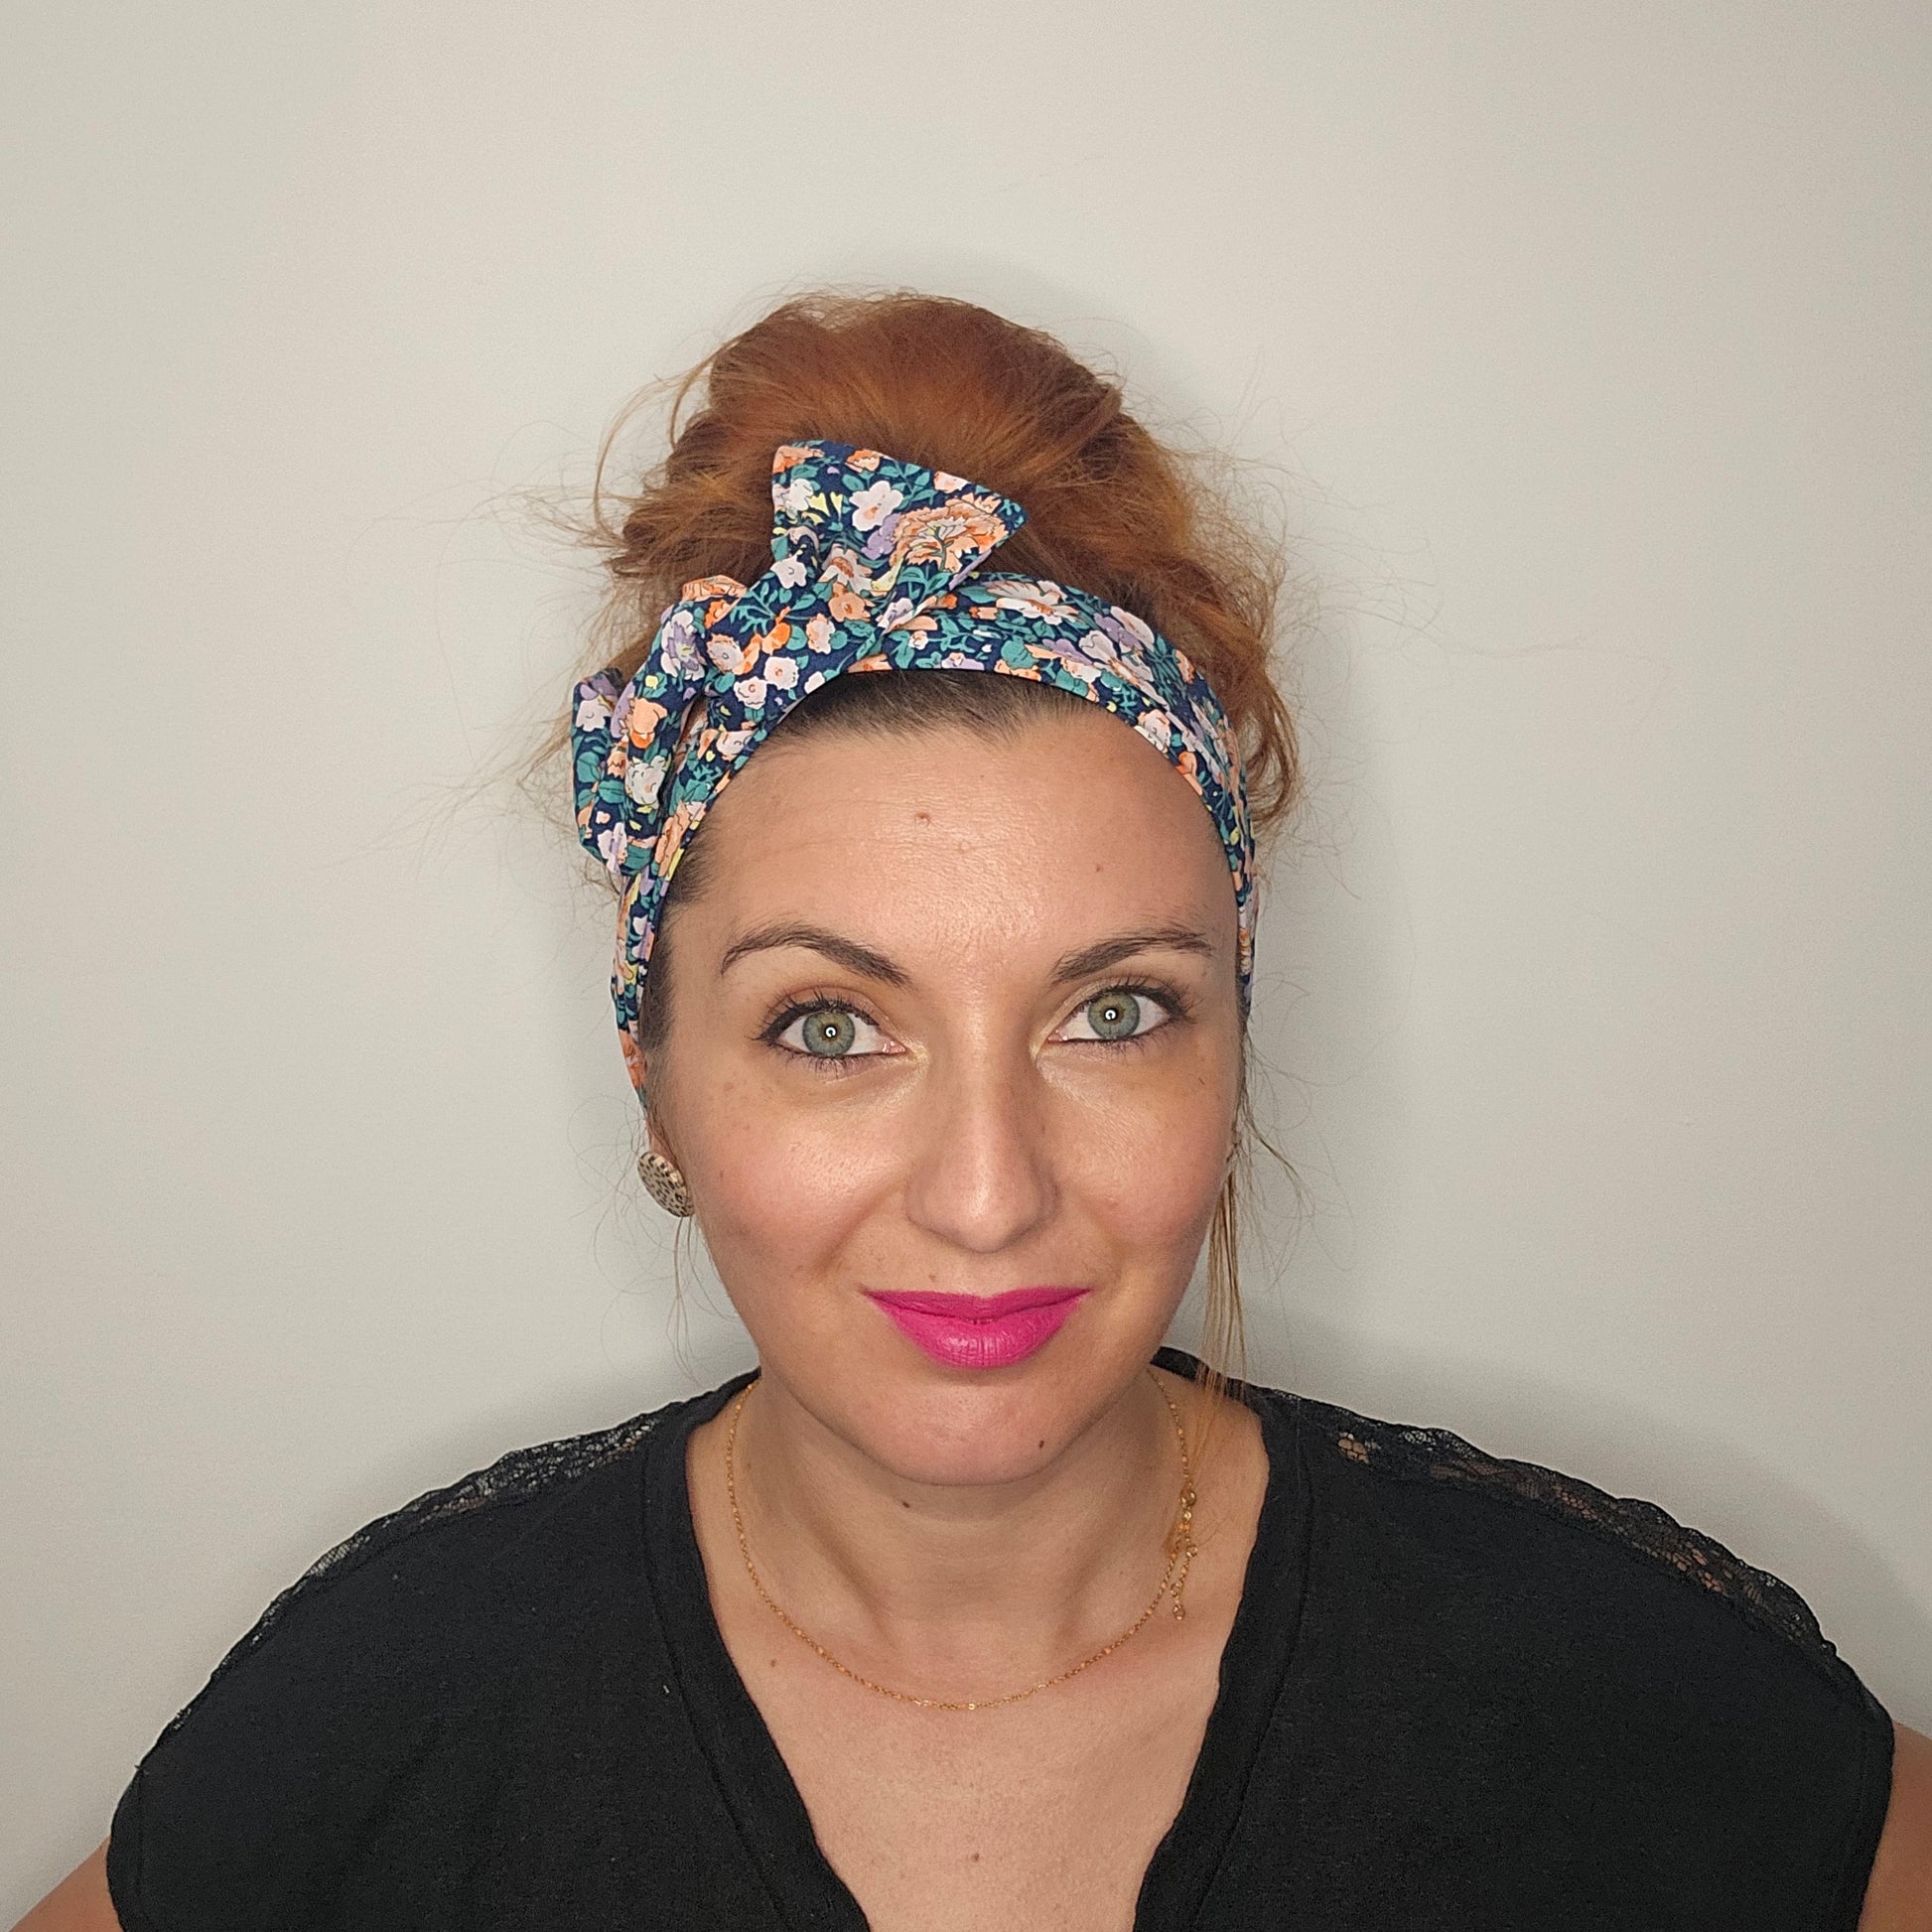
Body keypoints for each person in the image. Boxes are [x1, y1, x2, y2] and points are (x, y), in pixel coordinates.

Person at [19, 293, 1932, 1931]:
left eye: (1113, 1012)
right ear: (653, 1071)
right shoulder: (389, 1719)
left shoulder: (1617, 1695)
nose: (988, 1193)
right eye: (830, 1025)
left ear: (1232, 1044)